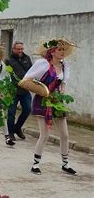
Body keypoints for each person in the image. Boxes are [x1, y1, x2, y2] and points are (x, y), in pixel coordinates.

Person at [21, 38, 77, 175]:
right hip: (43, 100)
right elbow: (26, 80)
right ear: (52, 52)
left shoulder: (64, 66)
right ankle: (36, 164)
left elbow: (63, 82)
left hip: (57, 101)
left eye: (63, 50)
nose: (62, 52)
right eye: (59, 49)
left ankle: (65, 163)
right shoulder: (43, 64)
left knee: (65, 134)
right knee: (45, 134)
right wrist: (42, 90)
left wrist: (62, 89)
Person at [5, 41, 33, 141]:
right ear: (13, 49)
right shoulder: (8, 60)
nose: (20, 51)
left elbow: (32, 71)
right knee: (11, 112)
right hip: (13, 90)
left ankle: (17, 128)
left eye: (21, 49)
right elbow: (7, 75)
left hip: (25, 89)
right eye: (18, 49)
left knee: (27, 109)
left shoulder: (27, 58)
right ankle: (11, 133)